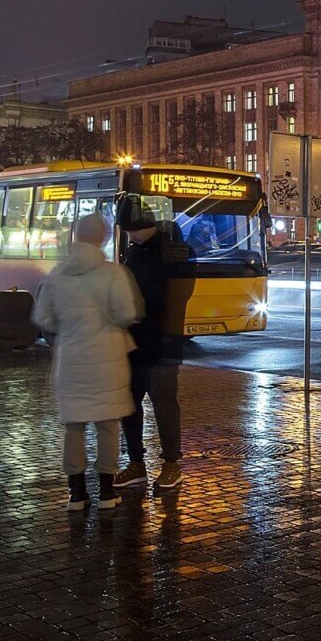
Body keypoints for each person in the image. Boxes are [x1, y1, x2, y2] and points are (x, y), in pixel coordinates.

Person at [32, 215, 140, 511]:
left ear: (75, 237)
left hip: (71, 360)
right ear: (102, 238)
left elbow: (44, 318)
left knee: (74, 427)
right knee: (108, 426)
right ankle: (107, 492)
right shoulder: (114, 274)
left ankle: (76, 493)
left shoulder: (57, 274)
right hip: (108, 361)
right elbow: (126, 314)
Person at [116, 206, 184, 491]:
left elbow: (172, 296)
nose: (130, 236)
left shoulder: (171, 252)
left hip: (162, 341)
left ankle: (171, 465)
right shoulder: (133, 252)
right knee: (129, 406)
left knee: (164, 405)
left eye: (133, 230)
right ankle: (136, 464)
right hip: (134, 341)